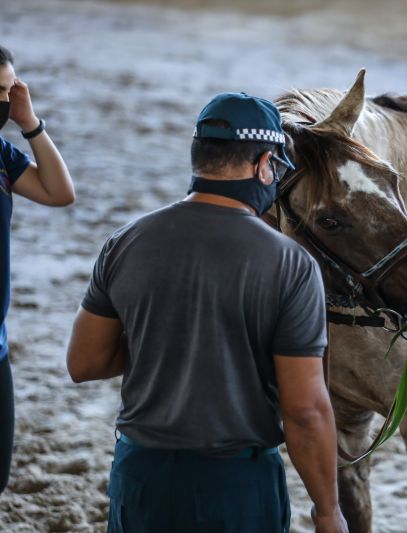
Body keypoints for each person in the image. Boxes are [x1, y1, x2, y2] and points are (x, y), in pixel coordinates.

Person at [66, 92, 347, 532]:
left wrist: (163, 334)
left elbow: (84, 363)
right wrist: (327, 510)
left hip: (141, 474)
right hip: (234, 482)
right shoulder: (289, 264)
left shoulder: (126, 242)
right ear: (263, 164)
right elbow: (306, 410)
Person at [0, 45, 75, 494]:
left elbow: (59, 192)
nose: (3, 101)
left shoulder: (3, 158)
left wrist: (30, 124)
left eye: (7, 91)